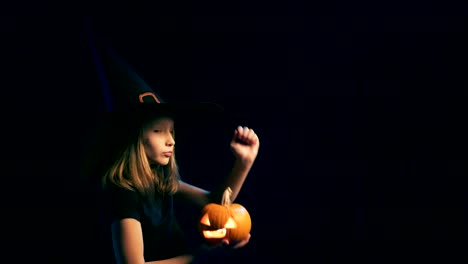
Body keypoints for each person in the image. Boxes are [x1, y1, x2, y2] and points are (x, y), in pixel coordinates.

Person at [97, 100, 259, 264]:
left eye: (171, 131)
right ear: (133, 136)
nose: (171, 141)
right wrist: (198, 257)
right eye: (158, 131)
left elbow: (217, 202)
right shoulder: (123, 193)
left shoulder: (160, 179)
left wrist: (243, 163)